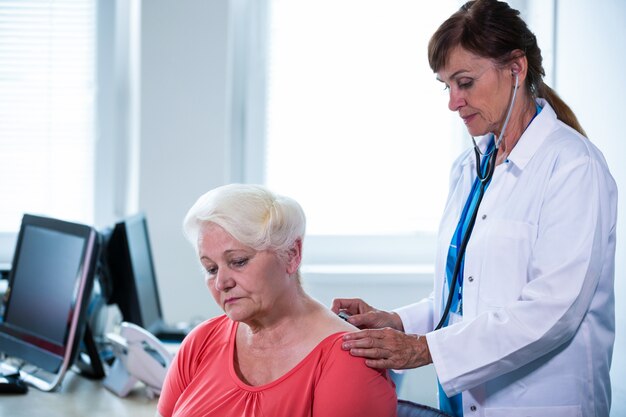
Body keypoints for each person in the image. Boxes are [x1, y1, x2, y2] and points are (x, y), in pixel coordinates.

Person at [332, 1, 617, 416]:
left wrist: (423, 348)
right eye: (446, 85)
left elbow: (552, 312)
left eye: (464, 82)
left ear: (515, 69)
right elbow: (462, 295)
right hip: (468, 402)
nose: (453, 102)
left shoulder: (573, 167)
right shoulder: (472, 167)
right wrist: (397, 321)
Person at [156, 184, 397, 417]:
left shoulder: (348, 358)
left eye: (238, 261)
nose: (221, 283)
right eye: (210, 268)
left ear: (292, 255)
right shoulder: (201, 342)